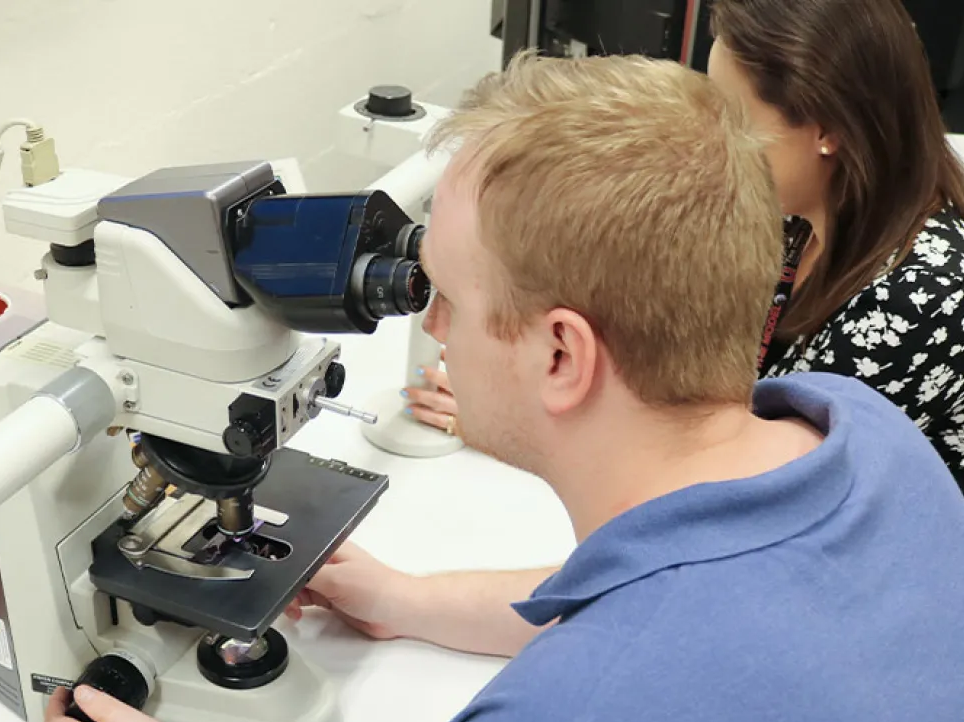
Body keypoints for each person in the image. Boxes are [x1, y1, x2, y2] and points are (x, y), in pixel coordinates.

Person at [42, 53, 964, 722]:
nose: (429, 324)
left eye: (444, 293)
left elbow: (637, 683)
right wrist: (409, 601)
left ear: (560, 356)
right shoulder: (862, 439)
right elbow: (672, 602)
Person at [406, 0, 964, 490]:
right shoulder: (802, 218)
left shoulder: (921, 301)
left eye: (735, 118)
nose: (713, 140)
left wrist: (521, 422)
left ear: (828, 130)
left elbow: (747, 492)